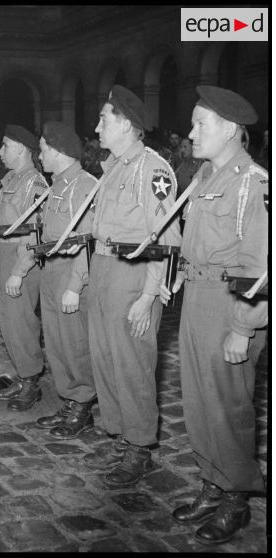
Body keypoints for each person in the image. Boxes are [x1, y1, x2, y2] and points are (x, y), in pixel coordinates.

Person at [159, 86, 268, 545]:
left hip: (232, 302)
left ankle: (236, 497)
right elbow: (198, 239)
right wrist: (180, 271)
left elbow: (263, 264)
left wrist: (244, 327)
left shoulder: (253, 182)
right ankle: (212, 482)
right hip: (199, 296)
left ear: (229, 130)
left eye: (200, 124)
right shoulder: (205, 176)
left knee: (228, 405)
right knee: (200, 401)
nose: (190, 132)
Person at [84, 85, 181, 488]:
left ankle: (139, 446)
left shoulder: (152, 170)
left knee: (132, 363)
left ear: (126, 124)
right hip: (105, 267)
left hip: (134, 273)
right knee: (105, 357)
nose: (97, 126)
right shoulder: (115, 167)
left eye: (104, 118)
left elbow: (166, 237)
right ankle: (118, 433)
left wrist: (148, 295)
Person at [34, 122, 98, 440]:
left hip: (71, 270)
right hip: (51, 269)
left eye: (44, 148)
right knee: (56, 342)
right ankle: (69, 399)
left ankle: (82, 404)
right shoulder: (57, 184)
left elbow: (86, 240)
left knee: (74, 342)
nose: (40, 154)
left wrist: (76, 284)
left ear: (59, 151)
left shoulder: (84, 185)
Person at [0, 124, 48, 411]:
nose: (0, 152)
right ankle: (22, 373)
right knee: (9, 322)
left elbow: (35, 233)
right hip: (4, 250)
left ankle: (31, 381)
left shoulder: (34, 183)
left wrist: (20, 270)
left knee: (22, 321)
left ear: (23, 149)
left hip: (19, 255)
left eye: (6, 146)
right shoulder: (11, 178)